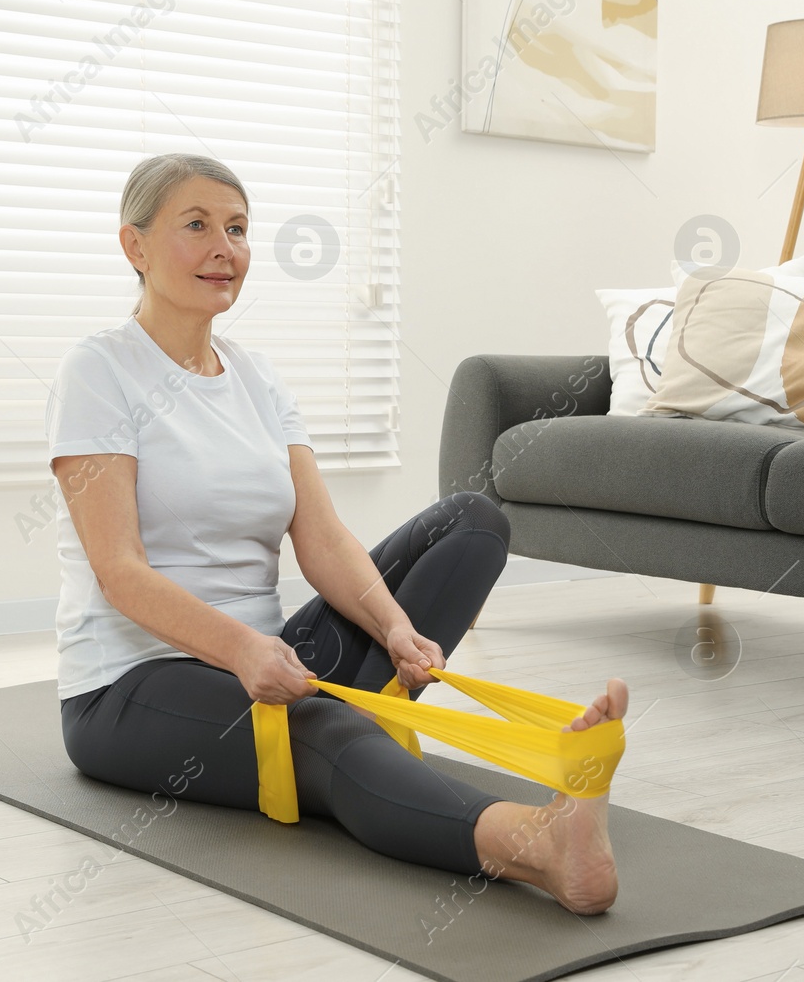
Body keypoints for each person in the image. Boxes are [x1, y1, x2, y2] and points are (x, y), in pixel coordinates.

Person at [47, 152, 627, 914]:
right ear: (136, 246)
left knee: (474, 521)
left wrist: (395, 628)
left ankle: (358, 724)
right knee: (315, 726)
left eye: (239, 228)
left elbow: (319, 537)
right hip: (130, 684)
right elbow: (118, 572)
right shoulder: (100, 370)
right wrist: (242, 650)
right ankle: (536, 845)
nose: (226, 247)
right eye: (197, 225)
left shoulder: (257, 379)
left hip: (271, 658)